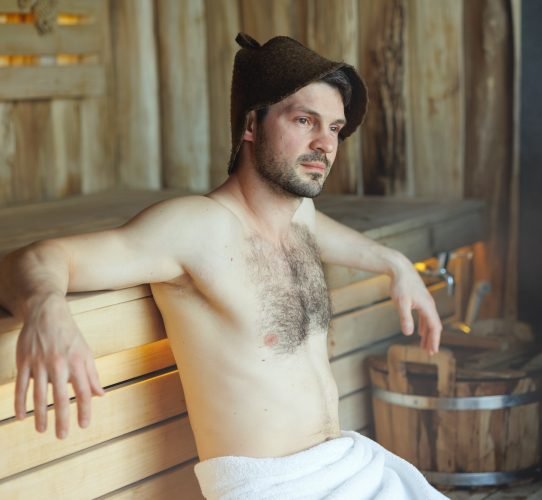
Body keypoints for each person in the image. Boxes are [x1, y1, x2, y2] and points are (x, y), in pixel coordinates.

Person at [0, 33, 447, 499]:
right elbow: (35, 258)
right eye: (304, 120)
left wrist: (395, 263)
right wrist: (45, 306)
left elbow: (329, 233)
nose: (324, 144)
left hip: (344, 468)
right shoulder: (195, 228)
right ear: (252, 124)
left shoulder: (299, 218)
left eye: (334, 128)